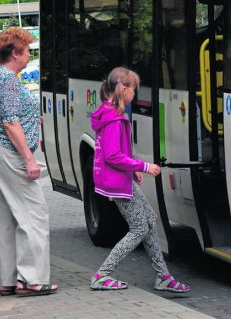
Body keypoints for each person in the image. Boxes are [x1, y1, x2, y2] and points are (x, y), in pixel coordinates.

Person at [89, 67, 191, 293]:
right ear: (123, 90)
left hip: (118, 178)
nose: (135, 94)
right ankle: (102, 275)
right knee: (139, 228)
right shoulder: (115, 119)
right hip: (117, 182)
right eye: (134, 89)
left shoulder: (109, 113)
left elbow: (115, 152)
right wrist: (143, 166)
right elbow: (113, 155)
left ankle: (163, 276)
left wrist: (132, 167)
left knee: (149, 220)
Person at [0, 26, 58, 297]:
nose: (29, 56)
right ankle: (32, 279)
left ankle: (9, 280)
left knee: (7, 219)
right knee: (34, 214)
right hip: (6, 153)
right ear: (15, 53)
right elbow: (10, 123)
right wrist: (29, 160)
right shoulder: (10, 80)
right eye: (27, 51)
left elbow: (0, 116)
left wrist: (32, 121)